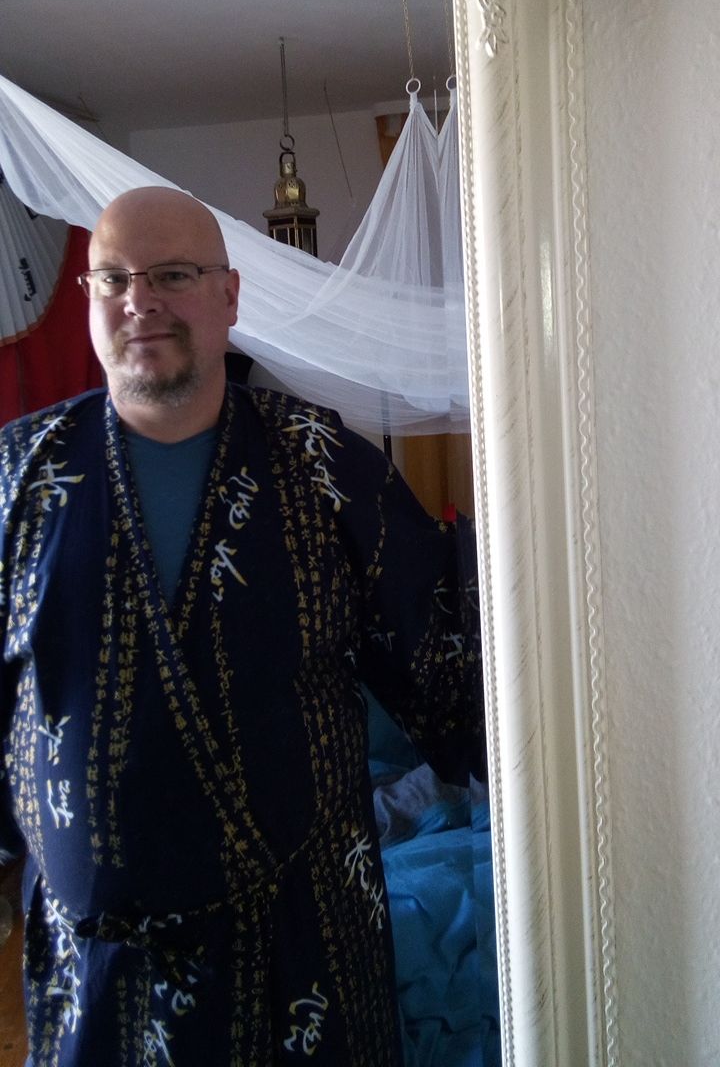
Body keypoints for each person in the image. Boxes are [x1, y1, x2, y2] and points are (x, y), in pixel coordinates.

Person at [0, 186, 484, 1067]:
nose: (140, 300)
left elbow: (446, 667)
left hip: (305, 950)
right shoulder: (16, 479)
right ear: (88, 300)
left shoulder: (329, 467)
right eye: (114, 279)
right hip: (100, 975)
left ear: (229, 297)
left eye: (172, 275)